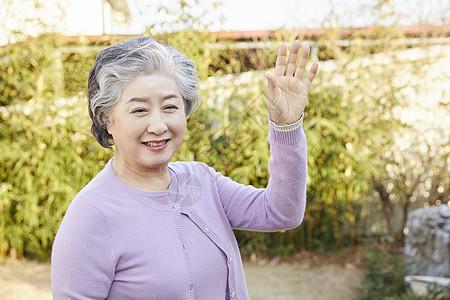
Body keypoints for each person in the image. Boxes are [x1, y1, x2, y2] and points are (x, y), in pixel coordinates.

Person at [51, 36, 318, 299]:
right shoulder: (92, 214)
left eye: (170, 106)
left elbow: (281, 213)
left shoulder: (201, 180)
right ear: (107, 119)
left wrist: (287, 126)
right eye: (139, 110)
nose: (158, 125)